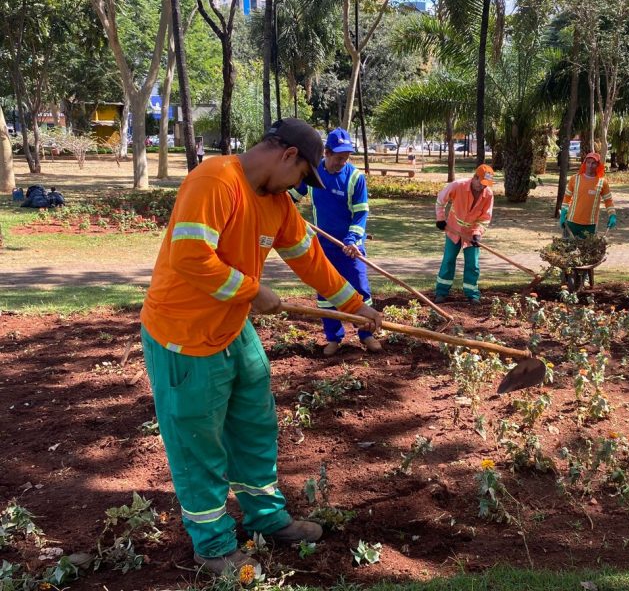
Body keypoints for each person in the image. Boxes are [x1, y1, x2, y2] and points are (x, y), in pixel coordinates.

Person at [139, 118, 382, 576]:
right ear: (287, 155)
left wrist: (355, 304)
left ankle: (266, 519)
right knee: (198, 442)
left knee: (254, 424)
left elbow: (309, 258)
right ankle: (212, 546)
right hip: (184, 335)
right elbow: (190, 256)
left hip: (232, 328)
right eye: (302, 177)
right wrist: (253, 292)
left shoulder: (277, 203)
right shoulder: (215, 180)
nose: (300, 189)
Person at [292, 128, 381, 356]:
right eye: (339, 157)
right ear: (327, 153)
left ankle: (366, 334)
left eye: (346, 157)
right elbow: (292, 196)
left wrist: (352, 240)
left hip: (352, 247)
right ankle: (333, 338)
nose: (342, 162)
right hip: (324, 245)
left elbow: (361, 213)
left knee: (361, 290)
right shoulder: (313, 173)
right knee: (325, 291)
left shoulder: (354, 177)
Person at [433, 165, 494, 303]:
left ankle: (472, 294)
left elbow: (486, 217)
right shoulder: (457, 185)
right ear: (475, 177)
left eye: (486, 184)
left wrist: (478, 233)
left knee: (473, 263)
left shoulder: (488, 194)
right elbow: (440, 201)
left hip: (472, 233)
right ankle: (441, 292)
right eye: (481, 183)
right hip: (453, 229)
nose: (483, 187)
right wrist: (440, 219)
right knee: (448, 260)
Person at [559, 152, 617, 238]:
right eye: (588, 162)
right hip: (571, 222)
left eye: (593, 163)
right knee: (566, 249)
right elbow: (567, 198)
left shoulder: (602, 182)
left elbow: (608, 201)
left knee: (587, 250)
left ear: (598, 165)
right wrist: (563, 213)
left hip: (590, 225)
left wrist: (612, 215)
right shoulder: (575, 179)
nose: (590, 165)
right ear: (585, 163)